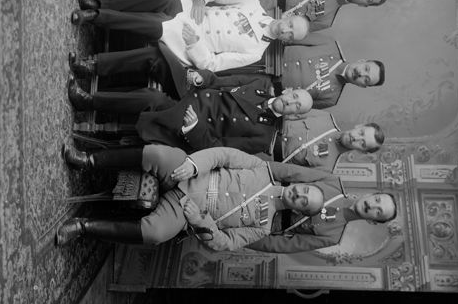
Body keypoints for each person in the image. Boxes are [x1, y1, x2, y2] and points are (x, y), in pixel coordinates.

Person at [56, 144, 334, 249]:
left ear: (299, 211)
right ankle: (88, 160)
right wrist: (193, 164)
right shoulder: (262, 169)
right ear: (301, 184)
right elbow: (223, 154)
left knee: (155, 233)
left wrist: (201, 222)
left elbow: (224, 243)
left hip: (186, 209)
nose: (299, 194)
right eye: (305, 190)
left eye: (303, 201)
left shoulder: (262, 227)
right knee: (157, 155)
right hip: (187, 172)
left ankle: (83, 227)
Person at [71, 0, 310, 73]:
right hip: (191, 11)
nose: (285, 30)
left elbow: (212, 64)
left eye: (290, 35)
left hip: (190, 41)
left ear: (286, 41)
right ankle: (100, 5)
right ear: (287, 15)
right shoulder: (254, 5)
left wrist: (195, 44)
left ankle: (94, 17)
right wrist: (201, 0)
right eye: (290, 24)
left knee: (160, 24)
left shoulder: (255, 51)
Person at [66, 74, 313, 154]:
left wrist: (194, 128)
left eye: (296, 106)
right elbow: (217, 81)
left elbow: (217, 149)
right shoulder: (260, 83)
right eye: (294, 96)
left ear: (293, 117)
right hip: (192, 94)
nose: (290, 102)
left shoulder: (263, 136)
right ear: (288, 90)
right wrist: (201, 77)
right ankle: (92, 88)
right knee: (160, 61)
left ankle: (89, 104)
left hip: (192, 127)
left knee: (155, 101)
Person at [247, 186, 397, 253]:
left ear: (372, 222)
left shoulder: (333, 237)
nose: (371, 206)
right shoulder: (333, 185)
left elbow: (282, 245)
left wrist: (245, 240)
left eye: (378, 212)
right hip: (259, 193)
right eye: (377, 200)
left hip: (255, 226)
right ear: (369, 195)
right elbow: (286, 173)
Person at [277, 113, 385, 170]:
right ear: (359, 126)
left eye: (362, 143)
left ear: (362, 151)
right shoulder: (325, 117)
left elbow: (289, 173)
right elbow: (288, 113)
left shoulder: (328, 167)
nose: (356, 138)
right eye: (361, 133)